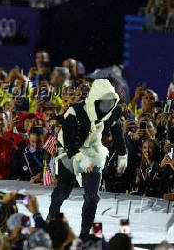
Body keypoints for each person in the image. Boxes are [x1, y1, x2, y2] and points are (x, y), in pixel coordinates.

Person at [47, 79, 127, 238]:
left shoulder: (114, 111)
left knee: (92, 196)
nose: (107, 107)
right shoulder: (76, 110)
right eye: (104, 103)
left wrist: (122, 155)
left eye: (110, 102)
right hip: (70, 152)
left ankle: (85, 233)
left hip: (93, 152)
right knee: (63, 191)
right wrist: (80, 159)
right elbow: (69, 138)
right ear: (95, 100)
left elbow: (117, 132)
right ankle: (51, 218)